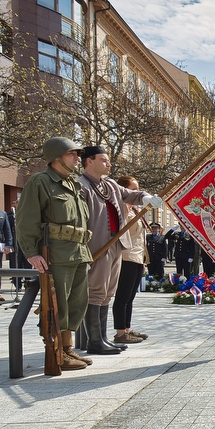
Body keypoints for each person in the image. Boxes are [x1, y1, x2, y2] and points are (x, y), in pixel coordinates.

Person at [14, 137, 93, 371]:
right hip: (56, 255)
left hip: (78, 252)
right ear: (56, 157)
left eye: (77, 154)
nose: (77, 158)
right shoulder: (40, 182)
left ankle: (67, 348)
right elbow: (26, 220)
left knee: (77, 303)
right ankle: (56, 351)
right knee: (57, 305)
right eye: (72, 154)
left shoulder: (73, 185)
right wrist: (31, 253)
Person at [78, 146, 162, 355]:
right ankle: (94, 340)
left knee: (108, 293)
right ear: (89, 161)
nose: (108, 163)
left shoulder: (111, 185)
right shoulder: (81, 186)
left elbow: (131, 194)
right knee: (96, 291)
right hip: (97, 246)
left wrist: (146, 198)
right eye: (103, 160)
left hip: (116, 244)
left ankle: (103, 338)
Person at [112, 175, 148, 346]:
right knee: (123, 296)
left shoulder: (134, 210)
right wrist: (125, 208)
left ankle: (127, 329)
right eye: (133, 190)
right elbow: (120, 229)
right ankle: (120, 332)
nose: (136, 193)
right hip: (126, 257)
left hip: (137, 257)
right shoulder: (120, 208)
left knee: (130, 297)